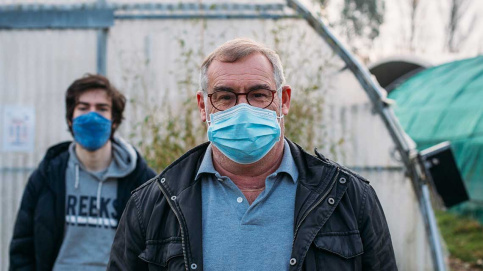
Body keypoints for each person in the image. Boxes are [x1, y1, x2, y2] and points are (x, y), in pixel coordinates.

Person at [108, 38, 397, 270]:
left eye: (259, 95)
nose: (242, 110)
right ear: (202, 107)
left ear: (283, 100)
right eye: (225, 97)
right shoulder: (152, 204)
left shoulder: (348, 197)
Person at [9, 74, 156, 270]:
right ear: (71, 119)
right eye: (83, 107)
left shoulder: (142, 183)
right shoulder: (47, 175)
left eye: (102, 108)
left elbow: (155, 251)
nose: (92, 116)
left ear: (114, 121)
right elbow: (23, 248)